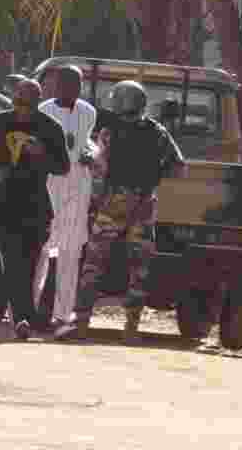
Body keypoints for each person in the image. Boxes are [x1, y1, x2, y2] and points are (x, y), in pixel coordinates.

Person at [54, 80, 185, 342]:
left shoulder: (110, 131)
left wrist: (88, 160)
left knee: (94, 263)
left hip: (114, 202)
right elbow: (178, 168)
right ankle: (131, 328)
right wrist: (153, 175)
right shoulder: (158, 132)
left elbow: (99, 167)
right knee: (140, 268)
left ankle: (80, 322)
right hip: (145, 203)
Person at [0, 78, 70, 339]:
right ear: (12, 100)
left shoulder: (49, 127)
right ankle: (22, 318)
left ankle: (24, 314)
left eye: (29, 104)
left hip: (35, 205)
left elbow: (62, 166)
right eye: (19, 102)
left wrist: (42, 153)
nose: (23, 108)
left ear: (37, 103)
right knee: (12, 260)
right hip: (3, 202)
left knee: (29, 264)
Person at [37, 65, 97, 329]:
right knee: (40, 250)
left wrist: (92, 154)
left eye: (76, 83)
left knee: (70, 253)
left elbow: (88, 143)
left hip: (78, 187)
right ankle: (24, 309)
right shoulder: (43, 111)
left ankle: (62, 315)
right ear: (56, 84)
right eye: (66, 83)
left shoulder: (88, 112)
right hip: (49, 186)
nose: (71, 88)